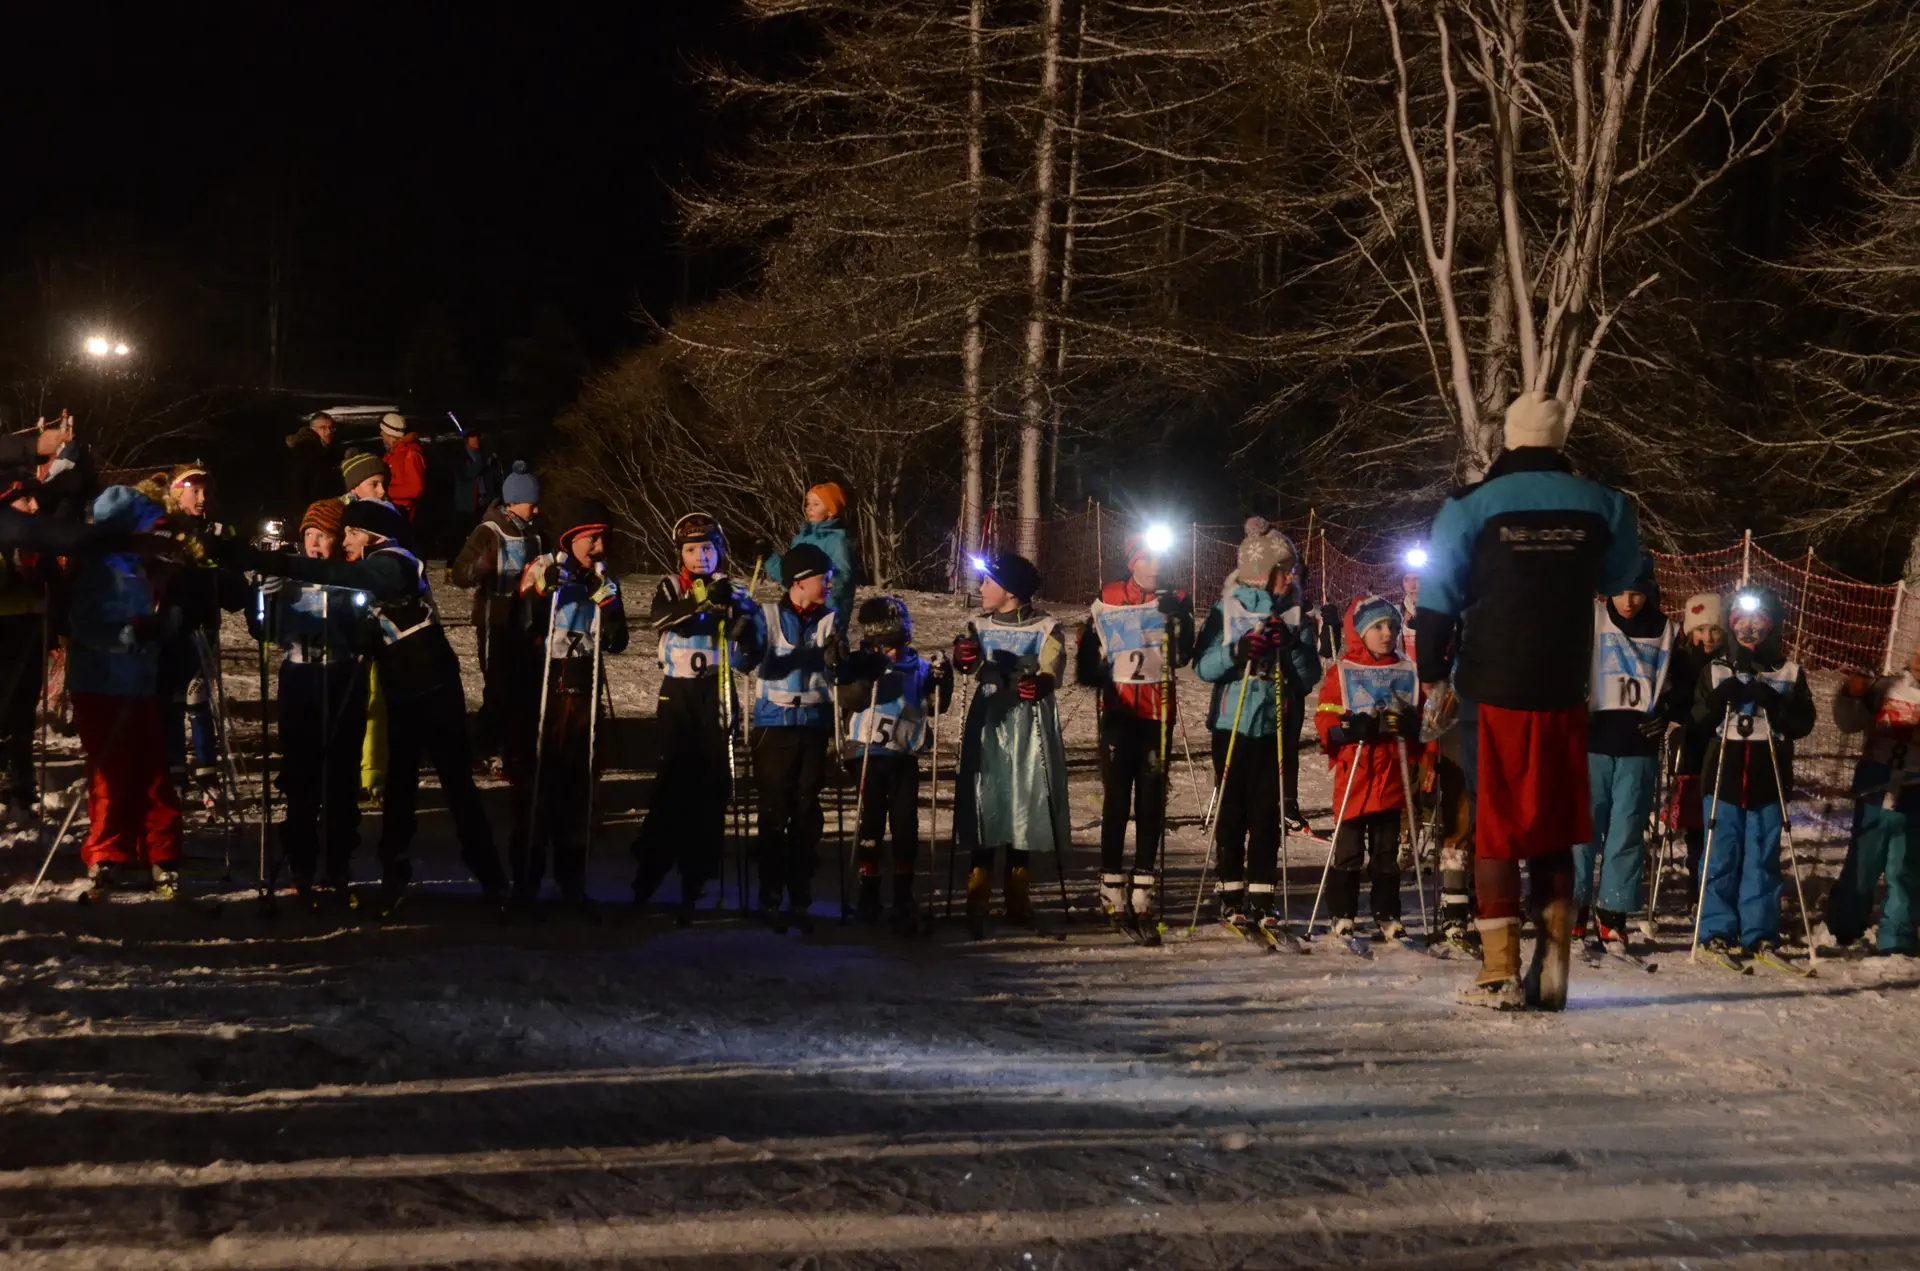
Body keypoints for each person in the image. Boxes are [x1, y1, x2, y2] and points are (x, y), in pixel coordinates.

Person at [1414, 391, 1641, 1010]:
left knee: (1496, 824)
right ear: (1560, 440)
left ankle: (1499, 972)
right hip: (1564, 686)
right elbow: (1630, 583)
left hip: (1494, 684)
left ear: (1509, 438)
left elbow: (1437, 594)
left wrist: (1432, 667)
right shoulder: (1607, 504)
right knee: (1553, 824)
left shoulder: (1470, 506)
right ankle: (1555, 966)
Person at [205, 498, 509, 914]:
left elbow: (345, 577)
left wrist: (274, 563)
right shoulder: (370, 566)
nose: (343, 539)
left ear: (371, 534)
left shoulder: (393, 561)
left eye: (349, 532)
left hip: (433, 688)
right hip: (401, 688)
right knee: (400, 789)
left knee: (456, 784)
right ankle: (393, 875)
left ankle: (492, 878)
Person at [631, 513, 764, 919]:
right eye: (691, 550)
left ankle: (698, 875)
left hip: (717, 691)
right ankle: (650, 872)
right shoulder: (671, 586)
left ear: (719, 550)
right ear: (680, 555)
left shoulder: (737, 591)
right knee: (673, 781)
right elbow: (662, 618)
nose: (700, 556)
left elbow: (749, 658)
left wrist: (743, 629)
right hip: (679, 693)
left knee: (712, 788)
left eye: (707, 548)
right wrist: (705, 599)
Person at [1192, 522, 1320, 932]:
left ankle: (1263, 892)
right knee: (1233, 810)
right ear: (1261, 572)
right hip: (1232, 722)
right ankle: (1230, 891)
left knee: (1268, 812)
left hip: (1275, 724)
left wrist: (1293, 646)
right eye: (1283, 570)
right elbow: (1203, 667)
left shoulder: (1297, 613)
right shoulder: (1226, 608)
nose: (1291, 577)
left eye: (1292, 570)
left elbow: (1306, 678)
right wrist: (1237, 651)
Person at [508, 498, 627, 907]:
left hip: (582, 684)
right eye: (591, 539)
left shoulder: (604, 578)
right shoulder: (545, 566)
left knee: (578, 787)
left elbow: (617, 640)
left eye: (602, 539)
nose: (598, 547)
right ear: (572, 538)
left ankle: (572, 877)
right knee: (539, 783)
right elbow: (521, 622)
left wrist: (607, 604)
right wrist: (543, 591)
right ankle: (526, 877)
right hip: (546, 687)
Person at [246, 499, 366, 903]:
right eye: (309, 536)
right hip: (300, 675)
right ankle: (300, 860)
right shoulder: (291, 575)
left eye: (324, 537)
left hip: (341, 675)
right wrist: (263, 598)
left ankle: (337, 861)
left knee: (341, 775)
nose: (315, 545)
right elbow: (263, 630)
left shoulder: (349, 576)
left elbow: (365, 627)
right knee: (300, 774)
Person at [67, 487, 185, 896]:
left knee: (152, 768)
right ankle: (107, 851)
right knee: (111, 773)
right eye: (149, 530)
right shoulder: (99, 570)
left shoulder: (137, 568)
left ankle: (160, 849)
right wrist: (128, 634)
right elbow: (82, 626)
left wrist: (163, 626)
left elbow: (144, 624)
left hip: (137, 683)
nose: (157, 539)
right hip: (100, 685)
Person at [1690, 586, 1815, 971]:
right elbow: (1694, 723)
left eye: (1756, 622)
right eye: (1740, 622)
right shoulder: (1715, 669)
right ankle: (1715, 931)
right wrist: (1716, 699)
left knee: (1761, 859)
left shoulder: (1789, 672)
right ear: (1731, 626)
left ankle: (1758, 931)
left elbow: (1801, 724)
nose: (1748, 629)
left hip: (1767, 777)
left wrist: (1773, 701)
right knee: (1720, 855)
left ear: (1771, 626)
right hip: (1723, 777)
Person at [1074, 534, 1194, 931]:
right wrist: (1096, 663)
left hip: (1157, 714)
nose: (1155, 565)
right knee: (1116, 801)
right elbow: (1087, 659)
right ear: (1133, 562)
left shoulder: (1175, 595)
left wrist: (1178, 621)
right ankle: (1111, 884)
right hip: (1119, 712)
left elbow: (1183, 655)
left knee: (1151, 800)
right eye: (1148, 558)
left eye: (1160, 557)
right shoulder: (1107, 594)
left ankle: (1143, 885)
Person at [953, 551, 1070, 939]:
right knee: (986, 795)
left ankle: (1018, 888)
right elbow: (968, 663)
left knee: (1024, 796)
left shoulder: (1047, 626)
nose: (982, 588)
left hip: (1026, 722)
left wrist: (1042, 682)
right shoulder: (978, 623)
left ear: (1011, 592)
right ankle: (978, 885)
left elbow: (1053, 667)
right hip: (990, 720)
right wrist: (963, 658)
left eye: (989, 583)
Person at [1580, 554, 1681, 954]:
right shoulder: (1593, 618)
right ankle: (1574, 910)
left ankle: (1612, 916)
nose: (1628, 601)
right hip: (1592, 742)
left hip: (1638, 744)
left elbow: (1680, 683)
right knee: (1582, 830)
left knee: (1626, 834)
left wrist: (1668, 712)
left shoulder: (1667, 629)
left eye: (1636, 593)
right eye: (1621, 592)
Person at [838, 595, 953, 934]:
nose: (892, 653)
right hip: (867, 756)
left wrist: (942, 679)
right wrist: (860, 675)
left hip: (903, 755)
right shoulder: (862, 663)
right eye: (883, 646)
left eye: (897, 644)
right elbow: (847, 695)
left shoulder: (916, 667)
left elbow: (936, 706)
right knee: (871, 821)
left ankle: (903, 892)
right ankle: (869, 890)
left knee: (905, 824)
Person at [1314, 594, 1423, 942]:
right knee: (1348, 851)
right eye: (1377, 627)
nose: (1387, 633)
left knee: (1386, 853)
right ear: (1360, 632)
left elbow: (1419, 720)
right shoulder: (1343, 671)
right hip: (1356, 776)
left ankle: (1387, 912)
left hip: (1391, 775)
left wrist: (1412, 726)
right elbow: (1326, 719)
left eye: (1391, 625)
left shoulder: (1404, 669)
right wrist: (1345, 729)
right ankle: (1342, 912)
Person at [158, 466, 245, 806]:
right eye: (194, 490)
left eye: (206, 490)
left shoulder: (219, 529)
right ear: (177, 491)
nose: (203, 498)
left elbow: (235, 580)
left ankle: (207, 771)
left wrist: (225, 570)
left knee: (198, 700)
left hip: (203, 625)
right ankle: (174, 770)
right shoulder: (163, 527)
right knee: (170, 700)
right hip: (169, 626)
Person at [1827, 641, 1920, 956]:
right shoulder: (1886, 687)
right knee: (1862, 863)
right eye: (1918, 651)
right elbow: (1849, 722)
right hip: (1875, 787)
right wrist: (1852, 695)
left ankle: (1898, 937)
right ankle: (1844, 926)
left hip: (1914, 791)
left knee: (1904, 868)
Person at [450, 460, 543, 771]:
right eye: (533, 504)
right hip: (495, 618)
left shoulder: (533, 534)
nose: (537, 511)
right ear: (515, 503)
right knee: (498, 684)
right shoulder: (489, 531)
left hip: (525, 618)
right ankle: (487, 747)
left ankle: (517, 744)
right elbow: (460, 573)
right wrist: (481, 568)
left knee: (525, 683)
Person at [0, 474, 61, 827]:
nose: (35, 507)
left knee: (23, 715)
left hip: (31, 632)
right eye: (26, 500)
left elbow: (55, 585)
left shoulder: (36, 544)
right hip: (3, 633)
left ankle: (21, 790)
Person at [1667, 593, 1726, 907]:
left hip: (1718, 743)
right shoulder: (1681, 661)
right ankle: (1695, 878)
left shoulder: (1726, 662)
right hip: (1690, 743)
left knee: (1715, 815)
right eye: (1700, 630)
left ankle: (1712, 879)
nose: (1707, 637)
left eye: (1714, 630)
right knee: (1695, 818)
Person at [766, 482, 857, 629]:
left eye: (816, 504)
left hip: (826, 617)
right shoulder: (801, 538)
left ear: (830, 511)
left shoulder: (838, 542)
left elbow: (842, 581)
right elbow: (791, 577)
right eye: (808, 503)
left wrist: (817, 592)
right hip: (798, 610)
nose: (809, 508)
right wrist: (769, 557)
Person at [284, 412, 338, 515]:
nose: (328, 432)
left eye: (331, 428)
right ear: (313, 429)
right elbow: (297, 487)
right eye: (323, 428)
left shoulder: (327, 449)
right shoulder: (304, 451)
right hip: (310, 512)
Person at [451, 432, 502, 541]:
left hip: (485, 500)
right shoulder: (460, 457)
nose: (476, 440)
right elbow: (468, 473)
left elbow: (493, 477)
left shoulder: (484, 455)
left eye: (477, 437)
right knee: (467, 533)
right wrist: (483, 463)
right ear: (466, 440)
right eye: (472, 437)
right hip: (467, 502)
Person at [379, 413, 428, 523]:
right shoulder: (394, 452)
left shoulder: (410, 454)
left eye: (383, 434)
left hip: (404, 512)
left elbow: (416, 488)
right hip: (393, 508)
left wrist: (385, 491)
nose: (381, 434)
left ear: (391, 436)